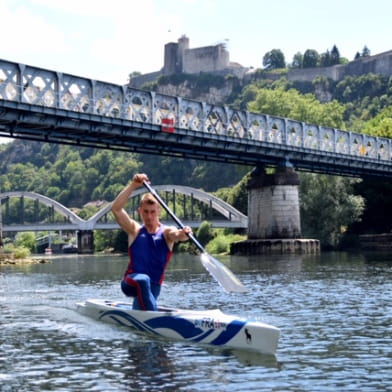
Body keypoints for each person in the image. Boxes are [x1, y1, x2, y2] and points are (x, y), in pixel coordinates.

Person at [111, 173, 192, 311]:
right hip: (131, 282)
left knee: (142, 304)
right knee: (143, 280)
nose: (149, 216)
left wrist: (184, 233)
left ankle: (144, 320)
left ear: (158, 211)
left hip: (154, 286)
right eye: (146, 212)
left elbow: (178, 235)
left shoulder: (167, 233)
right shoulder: (134, 230)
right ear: (140, 211)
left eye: (152, 212)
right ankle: (153, 318)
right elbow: (116, 209)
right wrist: (133, 186)